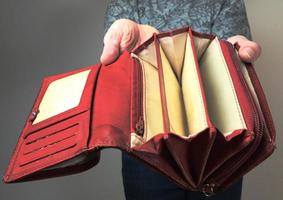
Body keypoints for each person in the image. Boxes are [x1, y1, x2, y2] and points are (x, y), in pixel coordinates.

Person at [100, 1, 261, 199]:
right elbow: (115, 68)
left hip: (219, 147)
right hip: (147, 148)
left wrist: (233, 50)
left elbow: (231, 57)